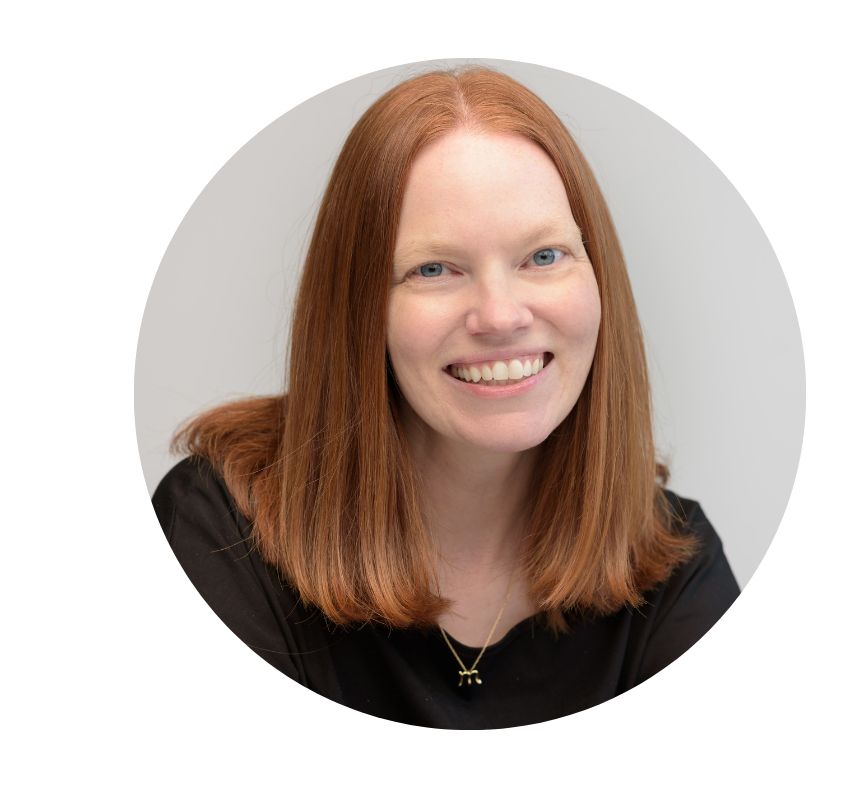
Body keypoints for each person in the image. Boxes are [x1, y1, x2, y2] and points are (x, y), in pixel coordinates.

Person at [153, 64, 739, 735]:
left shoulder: (677, 562)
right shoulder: (224, 531)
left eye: (543, 257)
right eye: (434, 269)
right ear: (359, 310)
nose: (500, 315)